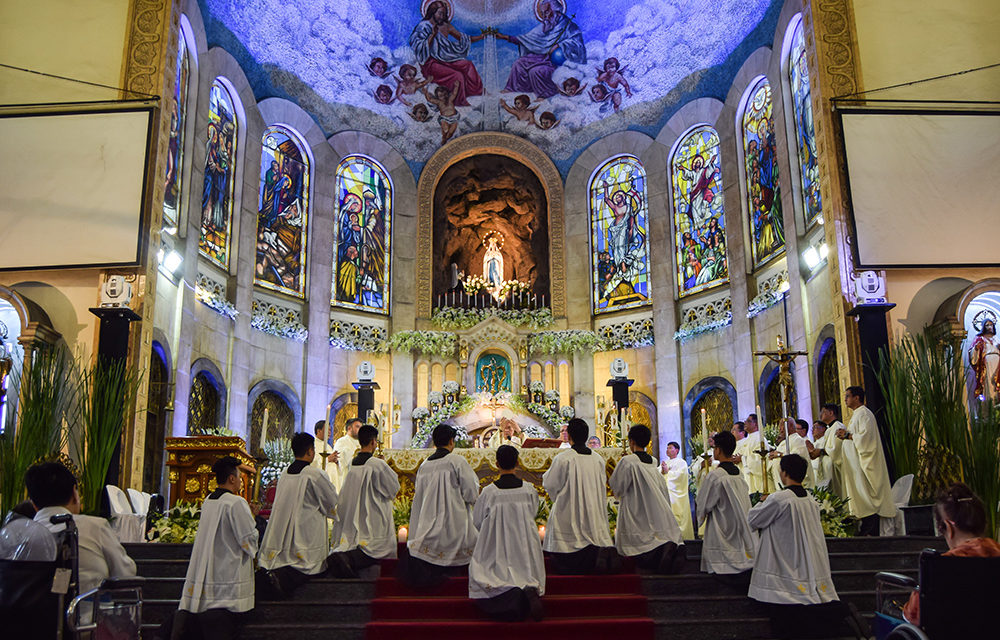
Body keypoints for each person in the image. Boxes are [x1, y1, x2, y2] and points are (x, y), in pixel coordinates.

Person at [748, 454, 841, 639]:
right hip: (807, 559)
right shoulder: (811, 500)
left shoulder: (779, 499)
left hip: (785, 561)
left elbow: (753, 519)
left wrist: (762, 500)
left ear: (784, 473)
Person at [173, 456, 259, 640]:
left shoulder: (209, 500)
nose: (242, 482)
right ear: (231, 478)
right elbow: (248, 540)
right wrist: (254, 518)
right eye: (239, 476)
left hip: (210, 571)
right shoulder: (236, 503)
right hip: (228, 576)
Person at [26, 462, 136, 596]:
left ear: (33, 504)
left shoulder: (18, 537)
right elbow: (125, 574)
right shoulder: (94, 527)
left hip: (28, 616)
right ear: (74, 493)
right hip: (87, 614)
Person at [902, 483, 1000, 627]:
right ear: (983, 523)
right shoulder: (996, 554)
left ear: (948, 527)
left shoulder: (939, 567)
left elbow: (914, 616)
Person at [469, 445, 545, 622]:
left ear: (496, 464)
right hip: (524, 542)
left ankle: (507, 590)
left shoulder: (489, 492)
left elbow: (478, 521)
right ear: (518, 463)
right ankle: (527, 587)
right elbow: (533, 512)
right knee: (525, 571)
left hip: (497, 546)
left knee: (485, 571)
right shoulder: (528, 489)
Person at [257, 433, 338, 596]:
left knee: (286, 560)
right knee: (311, 567)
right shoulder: (314, 474)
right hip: (306, 531)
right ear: (310, 451)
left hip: (282, 530)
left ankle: (274, 575)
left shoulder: (286, 473)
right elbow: (331, 501)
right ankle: (282, 580)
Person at [404, 424, 479, 587]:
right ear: (451, 441)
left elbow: (420, 495)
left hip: (429, 521)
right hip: (455, 522)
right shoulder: (456, 461)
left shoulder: (424, 465)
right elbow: (471, 493)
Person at [542, 418, 618, 574]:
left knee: (562, 558)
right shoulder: (597, 459)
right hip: (594, 513)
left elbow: (550, 484)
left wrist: (560, 499)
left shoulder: (563, 458)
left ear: (569, 436)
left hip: (569, 514)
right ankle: (599, 554)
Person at [327, 425, 400, 578]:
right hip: (373, 517)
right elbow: (393, 488)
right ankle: (350, 559)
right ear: (373, 442)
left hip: (354, 515)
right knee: (381, 546)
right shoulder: (377, 464)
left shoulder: (353, 463)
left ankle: (345, 556)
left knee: (355, 542)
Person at [610, 425, 685, 574]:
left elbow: (617, 486)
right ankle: (667, 547)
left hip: (634, 507)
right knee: (653, 534)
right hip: (654, 506)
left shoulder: (628, 461)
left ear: (631, 442)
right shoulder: (652, 461)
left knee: (638, 543)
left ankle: (658, 554)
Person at [695, 431, 755, 581]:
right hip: (740, 524)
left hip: (721, 525)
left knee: (722, 566)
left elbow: (704, 503)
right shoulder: (738, 473)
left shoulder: (716, 476)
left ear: (718, 450)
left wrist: (701, 514)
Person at [497, 1, 586, 99]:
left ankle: (544, 94)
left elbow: (578, 45)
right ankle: (513, 89)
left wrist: (560, 45)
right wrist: (504, 37)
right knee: (519, 63)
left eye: (546, 12)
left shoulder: (568, 26)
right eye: (542, 13)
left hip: (557, 63)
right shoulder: (545, 26)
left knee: (536, 71)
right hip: (541, 58)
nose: (544, 16)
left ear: (555, 10)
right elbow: (526, 39)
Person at [837, 386, 894, 535]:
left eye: (848, 396)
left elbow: (866, 439)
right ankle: (864, 526)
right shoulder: (857, 415)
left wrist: (847, 436)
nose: (845, 400)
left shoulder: (865, 414)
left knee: (867, 497)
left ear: (857, 398)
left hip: (864, 465)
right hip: (856, 466)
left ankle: (870, 529)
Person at [408, 1, 484, 107]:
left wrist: (481, 37)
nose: (442, 16)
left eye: (444, 14)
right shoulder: (423, 26)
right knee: (457, 75)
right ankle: (459, 102)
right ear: (432, 12)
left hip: (445, 59)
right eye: (440, 13)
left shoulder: (445, 26)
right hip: (430, 63)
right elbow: (418, 47)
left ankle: (476, 92)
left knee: (468, 65)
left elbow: (464, 38)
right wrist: (432, 35)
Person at [660, 441, 694, 539]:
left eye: (670, 448)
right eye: (667, 448)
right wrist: (662, 471)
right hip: (666, 493)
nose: (668, 450)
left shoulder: (681, 462)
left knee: (677, 515)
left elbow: (681, 476)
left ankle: (681, 536)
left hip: (676, 494)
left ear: (677, 450)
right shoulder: (665, 462)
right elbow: (658, 474)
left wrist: (668, 473)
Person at [767, 419, 815, 489]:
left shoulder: (798, 440)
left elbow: (797, 460)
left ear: (791, 426)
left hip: (794, 483)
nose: (780, 429)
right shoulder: (785, 441)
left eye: (781, 425)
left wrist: (779, 455)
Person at [817, 403, 847, 499]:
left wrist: (821, 452)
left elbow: (837, 448)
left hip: (836, 467)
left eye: (823, 412)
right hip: (828, 468)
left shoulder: (838, 426)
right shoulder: (829, 429)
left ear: (831, 412)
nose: (821, 415)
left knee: (839, 494)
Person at [734, 413, 770, 494]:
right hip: (746, 479)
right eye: (745, 421)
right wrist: (735, 459)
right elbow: (741, 455)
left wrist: (742, 459)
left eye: (748, 421)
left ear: (756, 424)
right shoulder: (747, 439)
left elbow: (760, 461)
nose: (745, 423)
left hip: (756, 481)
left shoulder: (760, 439)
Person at [334, 418, 362, 490]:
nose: (360, 429)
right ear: (349, 428)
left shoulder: (362, 442)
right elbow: (340, 461)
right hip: (347, 478)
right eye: (357, 426)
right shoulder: (341, 442)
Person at [311, 419, 340, 487]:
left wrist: (336, 461)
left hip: (332, 480)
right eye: (327, 430)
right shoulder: (313, 445)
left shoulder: (328, 446)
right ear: (319, 431)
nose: (330, 432)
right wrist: (328, 459)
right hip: (321, 482)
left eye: (330, 430)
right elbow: (313, 463)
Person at [809, 420, 833, 489]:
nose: (812, 430)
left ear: (823, 429)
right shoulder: (815, 443)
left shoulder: (826, 440)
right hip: (816, 473)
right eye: (812, 428)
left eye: (815, 427)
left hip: (825, 471)